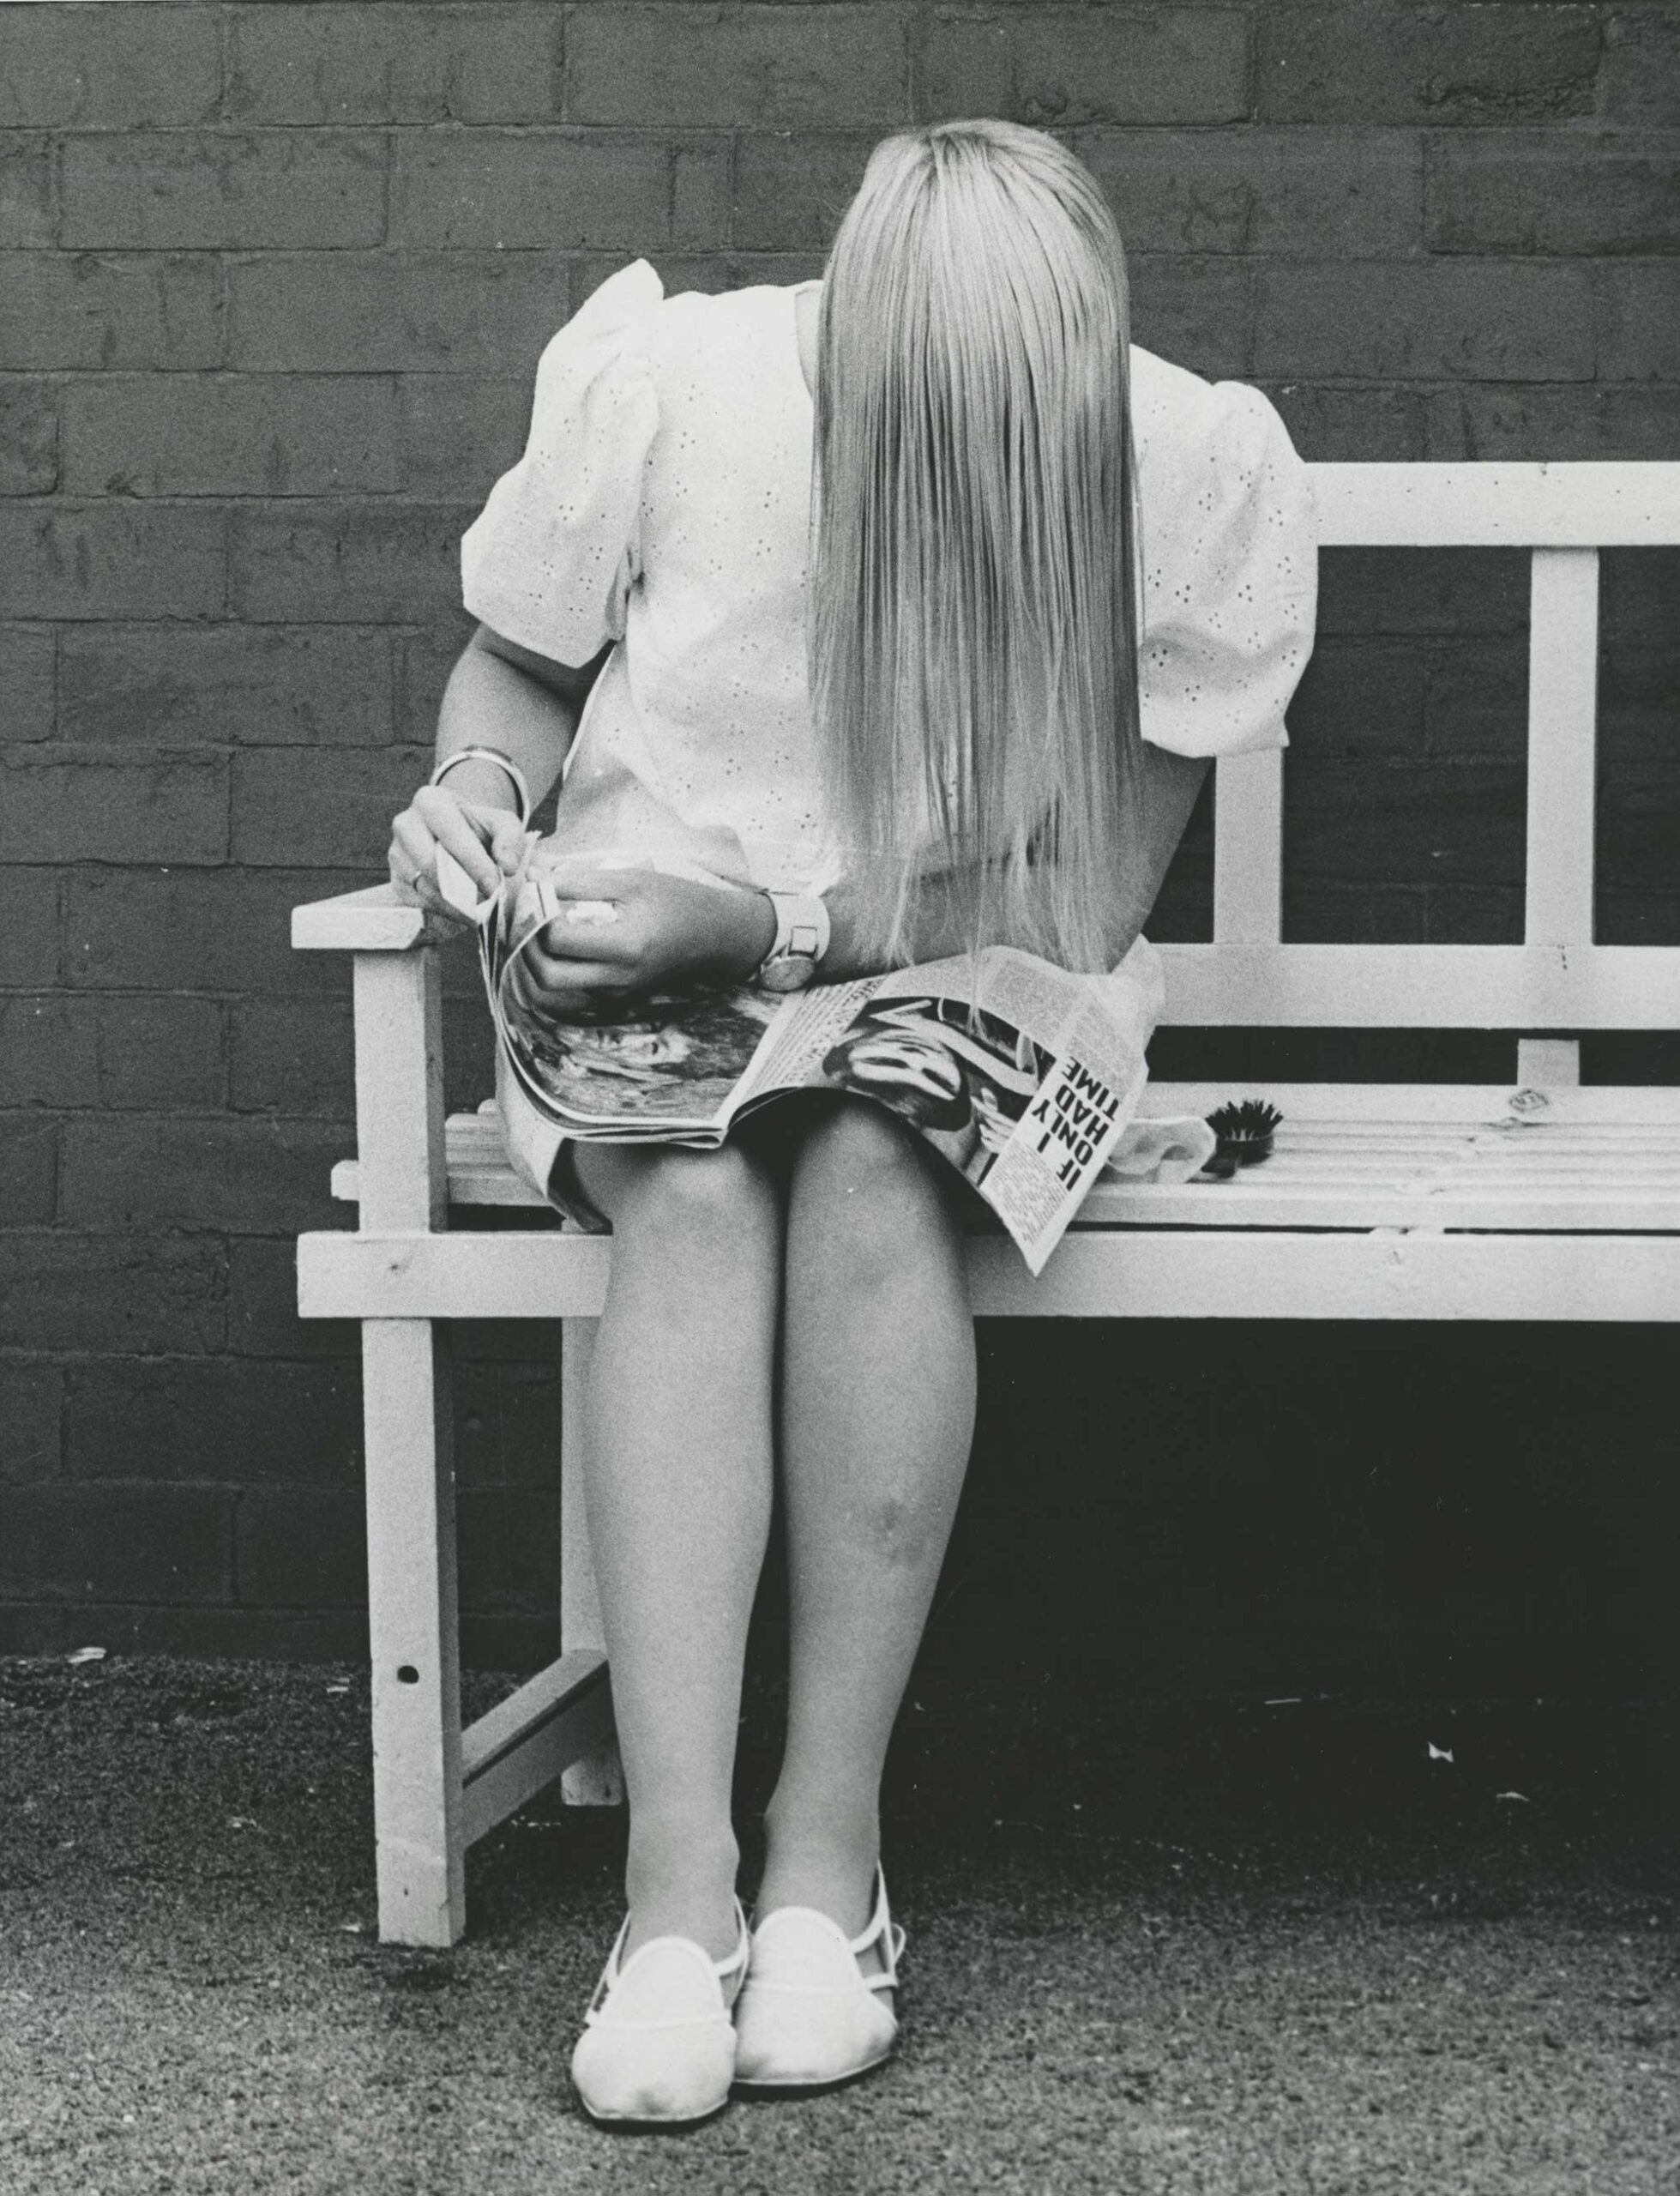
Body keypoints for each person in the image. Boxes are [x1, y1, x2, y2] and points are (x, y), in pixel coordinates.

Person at [384, 118, 1316, 2127]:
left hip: (972, 960)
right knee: (703, 1188)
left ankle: (824, 1860)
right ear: (840, 357)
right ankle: (669, 1895)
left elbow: (1072, 892)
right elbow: (520, 667)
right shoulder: (676, 384)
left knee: (882, 1159)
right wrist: (475, 785)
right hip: (664, 957)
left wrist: (789, 923)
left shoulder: (1176, 457)